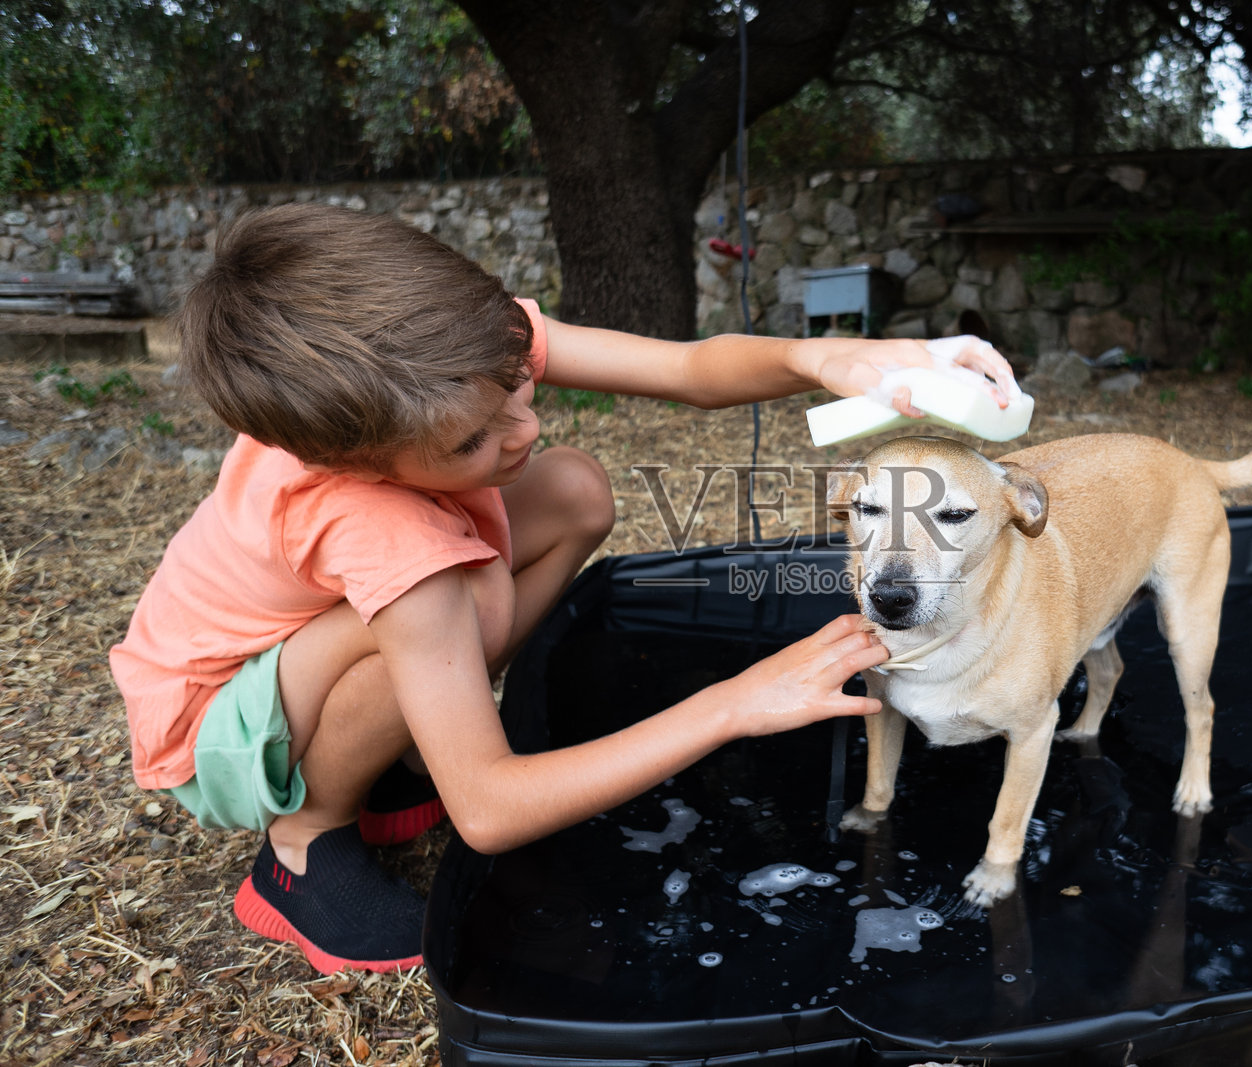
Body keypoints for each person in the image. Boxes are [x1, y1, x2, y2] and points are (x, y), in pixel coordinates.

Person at [109, 202, 1018, 975]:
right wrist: (734, 703)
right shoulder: (382, 529)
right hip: (211, 725)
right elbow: (491, 812)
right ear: (355, 458)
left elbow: (686, 369)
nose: (522, 426)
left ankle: (394, 747)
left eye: (516, 385)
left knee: (575, 489)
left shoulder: (448, 348)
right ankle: (306, 841)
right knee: (460, 598)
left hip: (312, 645)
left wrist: (839, 361)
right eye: (473, 441)